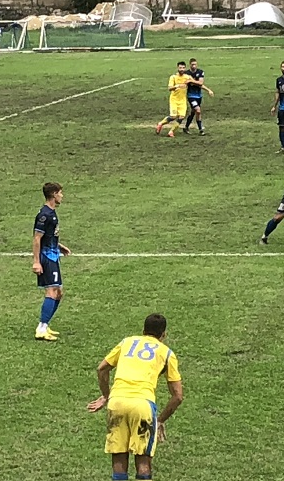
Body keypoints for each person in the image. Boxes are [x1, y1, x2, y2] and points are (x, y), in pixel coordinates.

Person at [87, 313, 183, 481]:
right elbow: (178, 396)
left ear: (143, 331)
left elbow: (102, 369)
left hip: (117, 402)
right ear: (164, 335)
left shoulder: (127, 342)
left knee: (118, 457)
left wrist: (106, 396)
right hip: (142, 405)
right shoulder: (167, 353)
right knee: (143, 461)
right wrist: (160, 420)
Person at [32, 182, 71, 341]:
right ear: (54, 194)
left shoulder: (51, 213)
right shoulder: (44, 215)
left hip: (53, 254)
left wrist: (59, 246)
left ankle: (45, 325)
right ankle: (41, 328)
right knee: (52, 291)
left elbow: (48, 236)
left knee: (59, 292)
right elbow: (37, 238)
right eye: (60, 193)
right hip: (47, 257)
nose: (62, 196)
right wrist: (36, 262)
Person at [155, 62, 192, 138]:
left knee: (181, 117)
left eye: (183, 68)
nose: (182, 69)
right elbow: (169, 88)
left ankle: (171, 131)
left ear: (185, 68)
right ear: (177, 68)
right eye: (180, 68)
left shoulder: (187, 77)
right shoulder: (173, 77)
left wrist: (192, 81)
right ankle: (160, 124)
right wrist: (177, 86)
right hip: (174, 100)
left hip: (182, 100)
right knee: (173, 116)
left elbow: (195, 82)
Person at [183, 58, 214, 136]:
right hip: (191, 96)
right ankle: (201, 130)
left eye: (195, 64)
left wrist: (208, 90)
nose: (194, 66)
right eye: (192, 64)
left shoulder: (200, 72)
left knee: (193, 112)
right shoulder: (186, 74)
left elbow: (200, 83)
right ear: (190, 65)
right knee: (198, 110)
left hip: (199, 96)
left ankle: (186, 127)